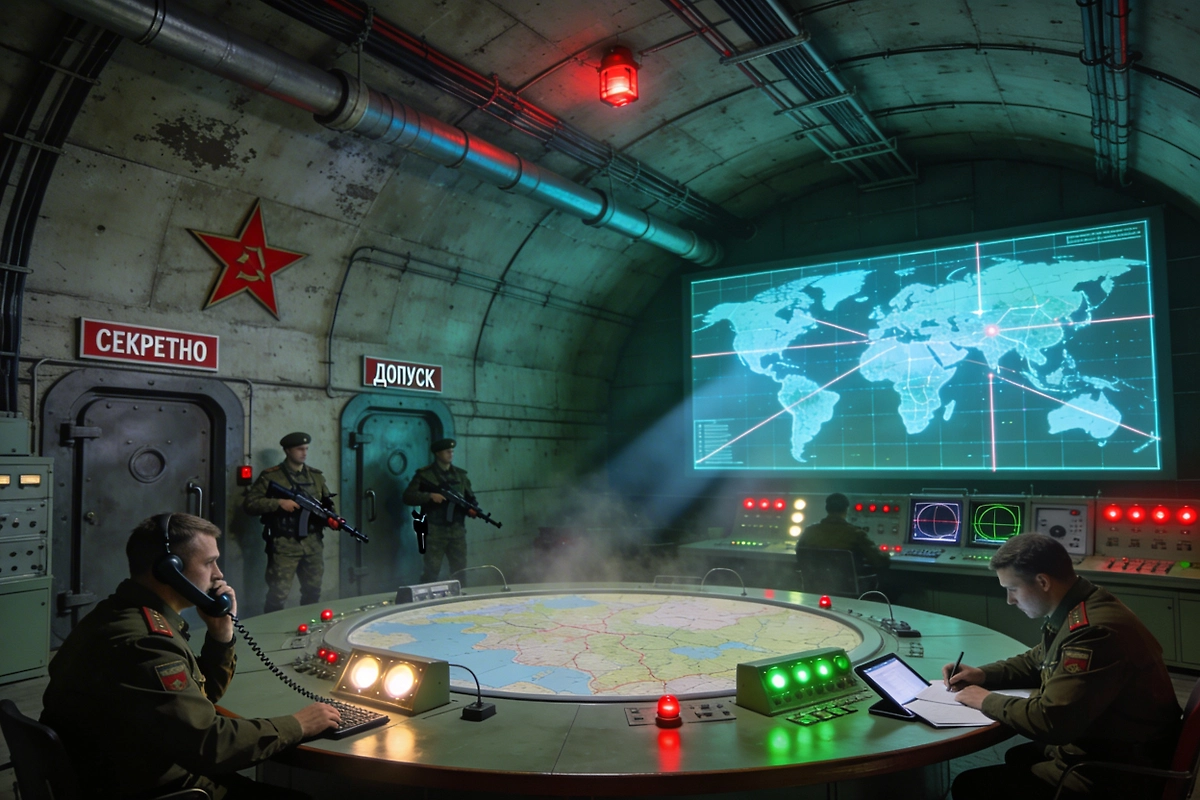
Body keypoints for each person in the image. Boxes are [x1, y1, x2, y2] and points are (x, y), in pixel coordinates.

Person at [40, 513, 340, 798]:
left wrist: (220, 635)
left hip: (125, 769)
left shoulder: (114, 613)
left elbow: (197, 698)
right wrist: (298, 724)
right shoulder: (146, 643)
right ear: (169, 570)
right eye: (209, 563)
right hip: (153, 788)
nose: (219, 574)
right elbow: (211, 745)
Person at [946, 533, 1181, 800]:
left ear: (1043, 582)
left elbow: (1052, 720)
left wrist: (985, 700)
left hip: (1116, 772)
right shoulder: (1082, 606)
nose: (1010, 600)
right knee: (1018, 755)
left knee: (969, 785)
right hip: (1109, 744)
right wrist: (983, 674)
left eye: (1013, 589)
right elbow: (1037, 659)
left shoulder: (1092, 632)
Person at [243, 432, 334, 612]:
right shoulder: (271, 477)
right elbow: (250, 504)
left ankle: (309, 623)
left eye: (306, 449)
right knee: (278, 594)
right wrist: (278, 503)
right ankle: (272, 625)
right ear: (287, 450)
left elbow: (327, 504)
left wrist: (333, 518)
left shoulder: (316, 477)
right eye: (300, 449)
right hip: (284, 543)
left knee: (313, 591)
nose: (304, 453)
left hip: (313, 543)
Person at [402, 437, 477, 583]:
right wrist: (429, 496)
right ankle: (426, 596)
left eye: (452, 451)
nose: (451, 453)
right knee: (431, 571)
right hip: (435, 531)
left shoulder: (460, 476)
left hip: (457, 531)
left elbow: (470, 498)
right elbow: (408, 497)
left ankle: (460, 596)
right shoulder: (425, 475)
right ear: (437, 453)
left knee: (460, 571)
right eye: (447, 451)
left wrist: (472, 509)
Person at [798, 492, 890, 577]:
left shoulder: (809, 532)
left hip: (814, 584)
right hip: (847, 586)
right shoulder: (856, 534)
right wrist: (886, 554)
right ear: (846, 510)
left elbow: (799, 553)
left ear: (827, 509)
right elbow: (879, 561)